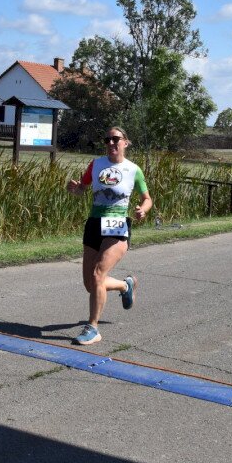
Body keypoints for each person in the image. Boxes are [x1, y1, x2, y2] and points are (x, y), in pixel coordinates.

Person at [66, 126, 153, 345]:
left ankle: (92, 328)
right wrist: (74, 189)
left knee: (98, 275)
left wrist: (143, 210)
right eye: (107, 140)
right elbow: (82, 188)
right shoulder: (96, 165)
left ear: (126, 142)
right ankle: (125, 285)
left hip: (118, 224)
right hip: (94, 223)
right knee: (91, 284)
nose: (111, 143)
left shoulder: (133, 170)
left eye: (116, 139)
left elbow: (147, 198)